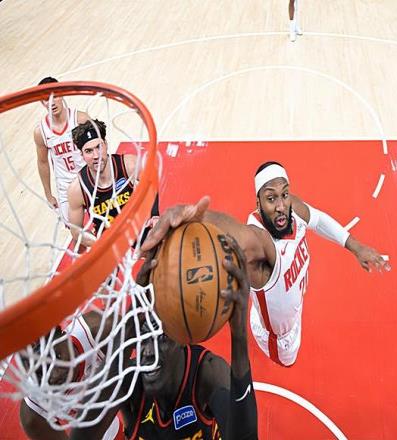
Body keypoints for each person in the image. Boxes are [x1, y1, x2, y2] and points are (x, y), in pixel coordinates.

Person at [142, 162, 390, 367]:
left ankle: (260, 305)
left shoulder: (292, 210)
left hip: (290, 305)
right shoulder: (261, 242)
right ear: (258, 203)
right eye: (271, 198)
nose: (281, 206)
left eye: (284, 194)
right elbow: (237, 233)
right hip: (279, 339)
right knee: (289, 362)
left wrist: (356, 247)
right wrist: (190, 213)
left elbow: (318, 219)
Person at [70, 235, 258, 440]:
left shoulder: (207, 373)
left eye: (159, 338)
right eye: (142, 337)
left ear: (181, 338)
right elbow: (81, 437)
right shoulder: (131, 381)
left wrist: (239, 336)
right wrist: (132, 318)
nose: (147, 351)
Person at [19, 312, 121, 440]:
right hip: (95, 427)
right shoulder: (33, 414)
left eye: (57, 358)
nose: (54, 376)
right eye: (41, 373)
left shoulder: (100, 329)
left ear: (63, 335)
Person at [67, 119, 138, 248]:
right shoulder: (77, 189)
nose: (96, 156)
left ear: (106, 144)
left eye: (99, 147)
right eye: (89, 151)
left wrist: (154, 215)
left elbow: (152, 185)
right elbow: (76, 231)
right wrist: (100, 244)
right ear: (81, 154)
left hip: (138, 227)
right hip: (108, 240)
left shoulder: (129, 165)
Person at [34, 77, 90, 223]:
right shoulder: (41, 132)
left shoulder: (80, 119)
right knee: (75, 231)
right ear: (41, 102)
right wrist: (48, 194)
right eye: (46, 99)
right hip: (66, 187)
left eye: (55, 96)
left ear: (63, 93)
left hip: (89, 178)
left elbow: (100, 145)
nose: (51, 102)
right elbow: (42, 162)